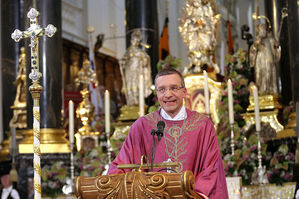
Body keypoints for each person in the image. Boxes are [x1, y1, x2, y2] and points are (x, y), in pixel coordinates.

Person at [108, 68, 228, 198]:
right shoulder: (142, 126)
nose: (168, 94)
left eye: (174, 88)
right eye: (162, 89)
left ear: (184, 92)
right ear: (157, 94)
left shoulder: (202, 125)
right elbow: (122, 165)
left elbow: (211, 170)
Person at [119, 29, 152, 106]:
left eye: (136, 40)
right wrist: (122, 62)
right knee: (129, 85)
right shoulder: (128, 51)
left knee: (137, 85)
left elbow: (146, 60)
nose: (134, 41)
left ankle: (138, 102)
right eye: (133, 39)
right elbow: (124, 60)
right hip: (129, 70)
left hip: (137, 71)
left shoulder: (140, 52)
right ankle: (130, 102)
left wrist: (144, 60)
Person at [249, 23, 281, 95]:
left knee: (269, 72)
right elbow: (252, 51)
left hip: (268, 58)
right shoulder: (257, 42)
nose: (263, 32)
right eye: (261, 30)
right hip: (260, 60)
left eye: (264, 30)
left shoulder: (270, 39)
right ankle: (261, 90)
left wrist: (277, 46)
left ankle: (270, 89)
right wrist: (257, 44)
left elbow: (276, 47)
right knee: (260, 74)